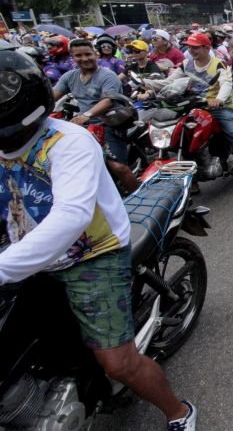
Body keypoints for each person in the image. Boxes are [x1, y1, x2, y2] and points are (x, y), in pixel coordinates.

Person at [0, 49, 197, 430]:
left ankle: (179, 413)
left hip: (90, 255)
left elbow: (70, 217)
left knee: (117, 362)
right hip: (26, 252)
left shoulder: (67, 142)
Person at [144, 33, 233, 196]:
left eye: (196, 47)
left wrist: (219, 99)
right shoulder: (186, 65)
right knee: (184, 135)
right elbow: (168, 82)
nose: (191, 50)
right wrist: (145, 84)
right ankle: (192, 179)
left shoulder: (219, 64)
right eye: (189, 47)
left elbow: (226, 84)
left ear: (206, 47)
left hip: (219, 107)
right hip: (194, 105)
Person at [53, 39, 139, 194]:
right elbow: (52, 96)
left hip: (109, 124)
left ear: (95, 54)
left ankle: (141, 199)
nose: (84, 58)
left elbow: (108, 101)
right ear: (72, 57)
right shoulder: (69, 77)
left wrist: (86, 115)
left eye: (88, 54)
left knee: (118, 167)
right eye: (79, 55)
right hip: (83, 128)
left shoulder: (108, 76)